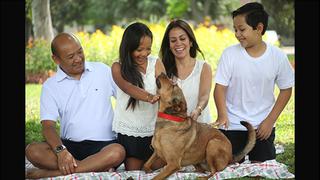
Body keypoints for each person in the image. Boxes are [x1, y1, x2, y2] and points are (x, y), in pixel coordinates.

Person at [25, 33, 125, 179]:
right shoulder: (50, 86)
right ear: (56, 59)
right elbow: (48, 126)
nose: (78, 59)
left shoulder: (102, 70)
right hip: (69, 147)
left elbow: (126, 100)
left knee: (118, 152)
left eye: (80, 52)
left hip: (104, 146)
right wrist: (61, 152)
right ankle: (92, 167)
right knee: (32, 150)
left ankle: (55, 173)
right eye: (71, 57)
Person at [213, 2, 294, 162]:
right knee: (229, 166)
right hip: (233, 125)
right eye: (235, 29)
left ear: (259, 28)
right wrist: (223, 114)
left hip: (262, 126)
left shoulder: (277, 56)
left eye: (242, 29)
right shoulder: (230, 54)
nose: (237, 34)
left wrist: (270, 121)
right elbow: (220, 88)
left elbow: (286, 90)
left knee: (262, 166)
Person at [111, 22, 166, 170]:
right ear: (128, 47)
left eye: (148, 49)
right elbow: (127, 87)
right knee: (134, 172)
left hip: (154, 130)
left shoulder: (155, 63)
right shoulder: (118, 66)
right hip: (131, 131)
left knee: (155, 168)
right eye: (139, 49)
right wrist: (149, 97)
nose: (144, 53)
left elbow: (164, 85)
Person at [159, 19, 213, 123]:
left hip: (200, 130)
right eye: (173, 41)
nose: (178, 43)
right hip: (174, 132)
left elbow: (204, 96)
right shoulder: (163, 71)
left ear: (191, 42)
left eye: (182, 38)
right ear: (169, 46)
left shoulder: (204, 67)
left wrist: (198, 109)